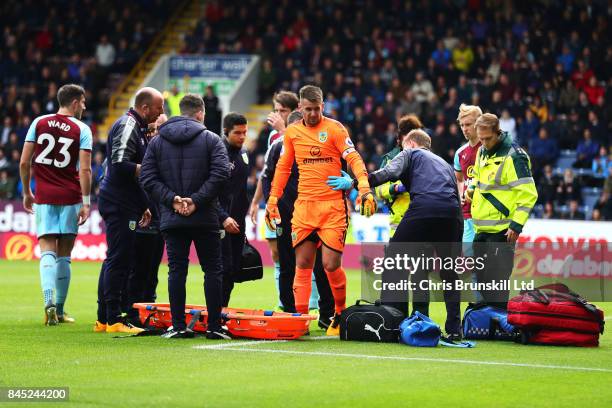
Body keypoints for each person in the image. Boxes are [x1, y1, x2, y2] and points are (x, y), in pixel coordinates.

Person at [266, 85, 376, 336]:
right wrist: (273, 199)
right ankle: (301, 319)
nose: (313, 114)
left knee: (330, 264)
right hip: (304, 206)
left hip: (332, 207)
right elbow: (283, 168)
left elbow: (354, 158)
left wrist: (364, 186)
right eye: (308, 109)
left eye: (317, 109)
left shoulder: (335, 129)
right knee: (301, 264)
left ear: (323, 107)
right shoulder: (292, 132)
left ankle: (339, 313)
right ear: (300, 108)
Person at [140, 94, 230, 339]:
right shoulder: (211, 139)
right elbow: (221, 173)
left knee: (176, 270)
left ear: (180, 112)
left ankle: (178, 326)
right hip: (205, 217)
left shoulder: (157, 142)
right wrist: (196, 200)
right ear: (200, 113)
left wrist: (173, 200)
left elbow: (147, 178)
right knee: (212, 270)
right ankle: (214, 326)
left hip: (172, 217)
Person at [367, 129, 464, 339]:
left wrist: (361, 182)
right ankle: (455, 329)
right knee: (449, 272)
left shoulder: (410, 153)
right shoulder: (445, 163)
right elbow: (457, 196)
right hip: (452, 215)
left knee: (394, 259)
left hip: (424, 208)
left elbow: (388, 173)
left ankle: (390, 319)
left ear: (410, 143)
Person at [19, 84, 92, 325]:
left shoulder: (39, 122)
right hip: (70, 197)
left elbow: (24, 162)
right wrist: (86, 202)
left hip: (45, 196)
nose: (84, 106)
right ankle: (59, 310)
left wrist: (28, 192)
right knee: (64, 255)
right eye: (82, 102)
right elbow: (84, 169)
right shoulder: (82, 129)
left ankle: (48, 302)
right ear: (74, 102)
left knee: (47, 252)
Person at [95, 87, 163, 334]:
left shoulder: (138, 127)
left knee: (116, 257)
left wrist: (143, 203)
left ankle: (104, 318)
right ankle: (113, 319)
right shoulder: (128, 125)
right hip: (118, 202)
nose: (161, 113)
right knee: (119, 258)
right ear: (145, 107)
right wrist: (149, 170)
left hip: (126, 201)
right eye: (158, 108)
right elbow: (120, 163)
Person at [261, 110, 335, 329]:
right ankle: (291, 313)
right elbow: (266, 177)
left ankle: (327, 313)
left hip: (315, 215)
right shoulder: (278, 148)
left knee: (322, 266)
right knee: (288, 265)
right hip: (287, 216)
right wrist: (272, 204)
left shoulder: (318, 147)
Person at [466, 113, 538, 309]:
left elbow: (528, 194)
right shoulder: (481, 151)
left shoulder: (515, 156)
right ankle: (486, 323)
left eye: (488, 138)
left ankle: (498, 324)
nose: (484, 143)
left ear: (498, 132)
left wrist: (516, 226)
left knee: (496, 283)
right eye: (480, 138)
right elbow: (478, 179)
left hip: (502, 230)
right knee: (481, 281)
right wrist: (471, 189)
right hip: (481, 229)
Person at [372, 115, 423, 237]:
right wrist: (395, 188)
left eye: (414, 137)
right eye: (407, 137)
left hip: (422, 221)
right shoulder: (390, 160)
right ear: (399, 139)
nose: (411, 141)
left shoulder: (427, 159)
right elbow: (379, 190)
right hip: (398, 224)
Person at [218, 112, 250, 306]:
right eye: (237, 133)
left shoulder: (243, 153)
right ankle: (215, 314)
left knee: (232, 270)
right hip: (221, 222)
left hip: (238, 222)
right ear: (226, 132)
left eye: (245, 132)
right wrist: (222, 217)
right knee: (221, 269)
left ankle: (222, 311)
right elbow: (211, 191)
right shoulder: (217, 153)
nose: (242, 137)